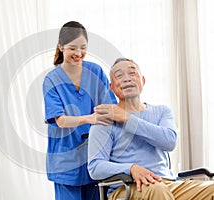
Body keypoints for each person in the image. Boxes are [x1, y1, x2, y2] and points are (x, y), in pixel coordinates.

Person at [87, 57, 214, 199]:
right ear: (112, 87)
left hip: (168, 184)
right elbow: (95, 167)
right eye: (119, 76)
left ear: (143, 81)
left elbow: (169, 142)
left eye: (132, 73)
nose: (127, 79)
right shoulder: (105, 119)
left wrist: (128, 119)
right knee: (157, 190)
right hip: (128, 187)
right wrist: (131, 168)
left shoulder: (161, 112)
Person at [42, 21, 117, 200]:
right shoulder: (51, 80)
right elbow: (60, 120)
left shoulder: (95, 71)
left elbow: (110, 107)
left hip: (95, 157)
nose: (78, 53)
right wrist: (89, 119)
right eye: (72, 48)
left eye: (83, 47)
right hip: (65, 162)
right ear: (61, 47)